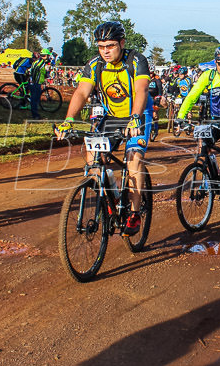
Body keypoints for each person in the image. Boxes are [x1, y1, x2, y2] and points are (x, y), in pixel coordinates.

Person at [56, 21, 153, 236]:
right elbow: (82, 92)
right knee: (93, 157)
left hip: (138, 115)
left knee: (133, 158)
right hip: (111, 117)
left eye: (110, 45)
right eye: (101, 46)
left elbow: (141, 90)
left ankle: (135, 213)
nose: (105, 51)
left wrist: (135, 118)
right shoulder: (94, 65)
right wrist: (68, 120)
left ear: (122, 43)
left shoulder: (136, 60)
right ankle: (110, 193)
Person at [176, 46, 220, 200]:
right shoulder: (208, 76)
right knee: (205, 144)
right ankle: (210, 177)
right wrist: (181, 116)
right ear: (215, 63)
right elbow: (192, 95)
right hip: (216, 117)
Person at [28, 49, 50, 119]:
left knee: (35, 99)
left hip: (36, 82)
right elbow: (35, 72)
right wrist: (34, 81)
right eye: (48, 56)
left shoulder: (37, 62)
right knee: (34, 99)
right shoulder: (41, 63)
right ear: (45, 56)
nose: (49, 57)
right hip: (35, 83)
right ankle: (35, 115)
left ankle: (35, 114)